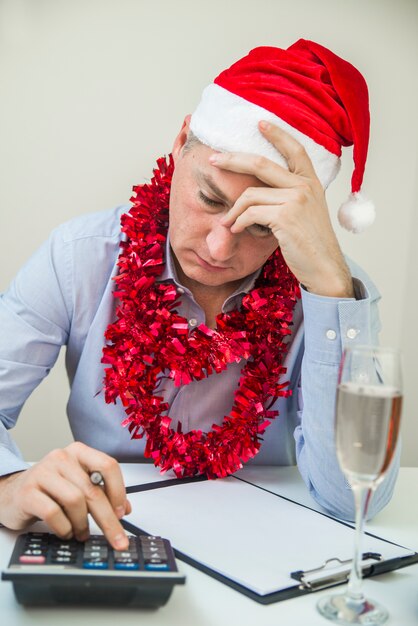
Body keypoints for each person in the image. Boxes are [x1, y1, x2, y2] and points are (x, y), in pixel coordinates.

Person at [0, 39, 399, 551]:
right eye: (210, 198)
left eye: (259, 227)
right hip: (109, 539)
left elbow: (354, 501)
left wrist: (332, 294)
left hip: (268, 550)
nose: (218, 246)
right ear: (181, 140)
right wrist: (9, 483)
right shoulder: (79, 257)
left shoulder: (331, 292)